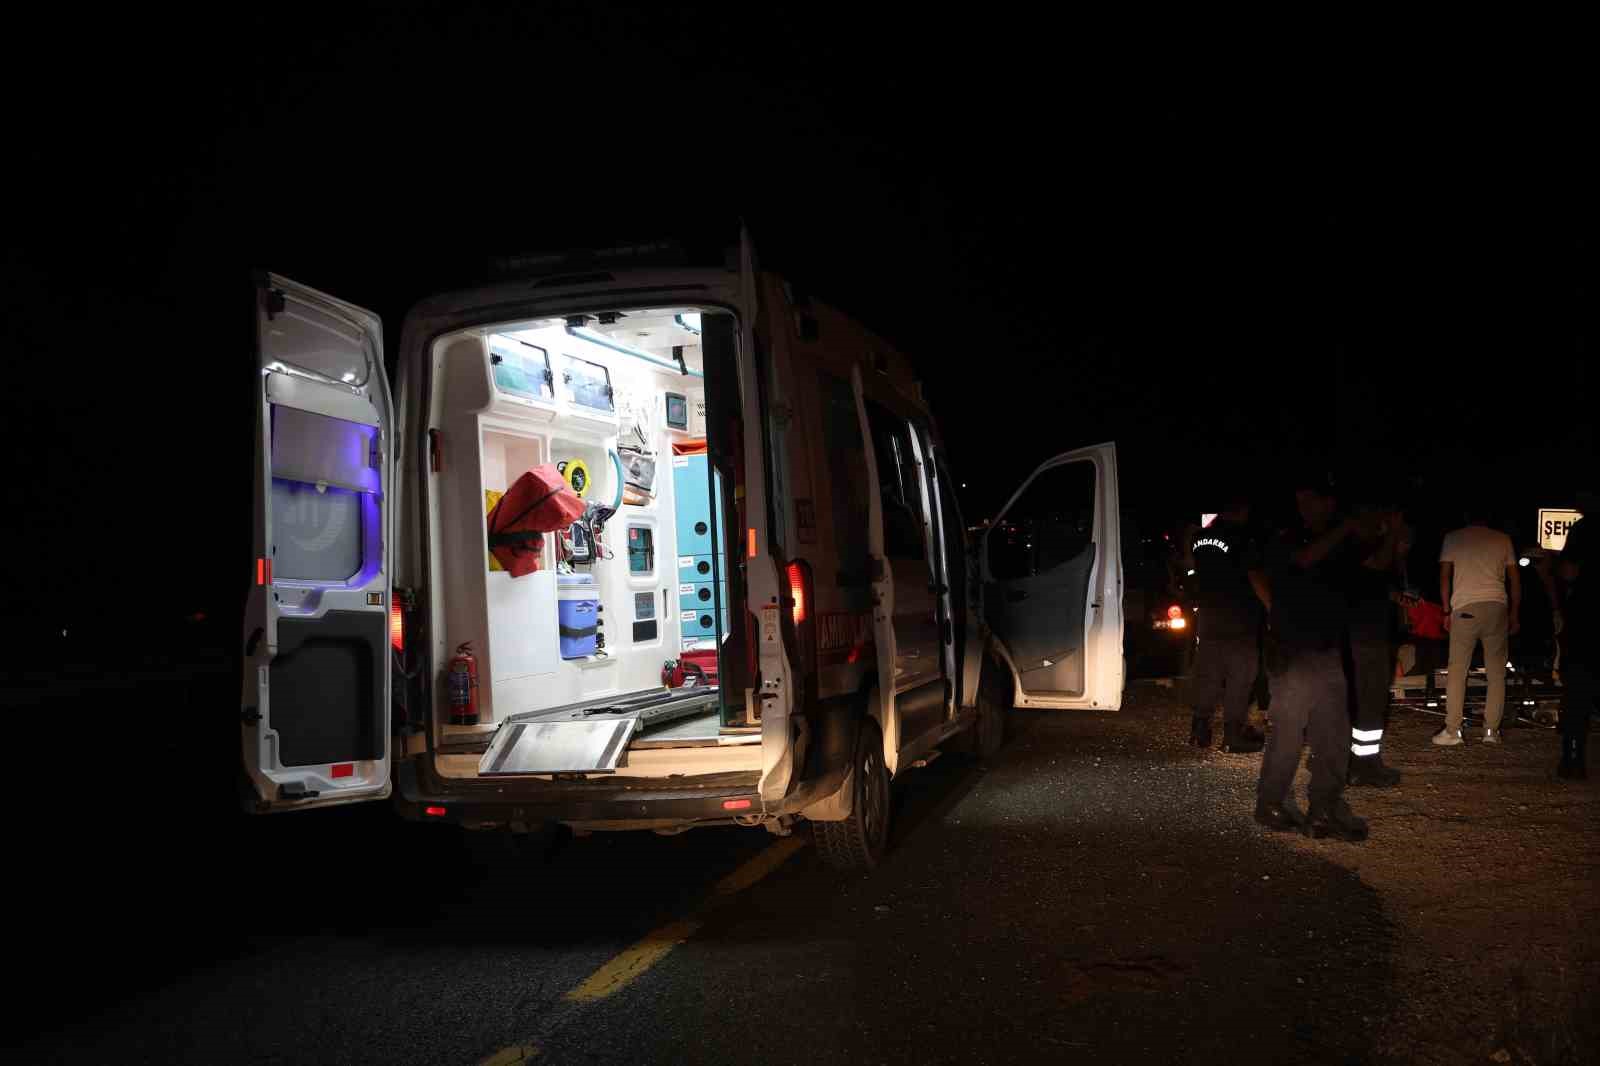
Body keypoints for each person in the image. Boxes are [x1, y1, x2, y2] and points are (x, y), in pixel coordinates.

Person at [1254, 474, 1374, 841]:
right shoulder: (1288, 537)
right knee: (1288, 732)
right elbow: (1299, 561)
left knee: (1333, 733)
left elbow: (1368, 571)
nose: (1304, 508)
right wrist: (1277, 611)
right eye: (1301, 501)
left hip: (1327, 648)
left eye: (1311, 500)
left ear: (1329, 502)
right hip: (1293, 651)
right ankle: (1270, 803)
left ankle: (1322, 810)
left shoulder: (1340, 542)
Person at [1184, 497, 1268, 753]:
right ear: (1242, 510)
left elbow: (1190, 567)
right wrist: (1273, 608)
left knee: (1208, 672)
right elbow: (1254, 575)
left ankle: (1199, 729)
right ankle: (1233, 735)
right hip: (1239, 618)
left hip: (1209, 616)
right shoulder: (1243, 538)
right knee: (1240, 677)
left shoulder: (1199, 538)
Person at [1434, 505, 1520, 745]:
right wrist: (1514, 613)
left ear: (1466, 515)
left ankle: (1453, 730)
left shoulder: (1453, 538)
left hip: (1465, 608)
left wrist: (1446, 610)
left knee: (1458, 671)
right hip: (1497, 607)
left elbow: (1444, 577)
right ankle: (1491, 731)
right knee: (1496, 673)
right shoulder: (1503, 539)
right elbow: (1515, 581)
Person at [1344, 497, 1408, 786]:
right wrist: (1392, 536)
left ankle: (1355, 761)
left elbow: (1378, 583)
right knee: (1369, 700)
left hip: (1366, 633)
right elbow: (1375, 568)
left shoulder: (1351, 544)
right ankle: (1363, 765)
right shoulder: (1357, 545)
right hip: (1364, 636)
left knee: (1366, 700)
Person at [1556, 491, 1596, 780]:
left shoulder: (1583, 529)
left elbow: (1569, 571)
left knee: (1578, 689)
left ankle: (1573, 758)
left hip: (1587, 612)